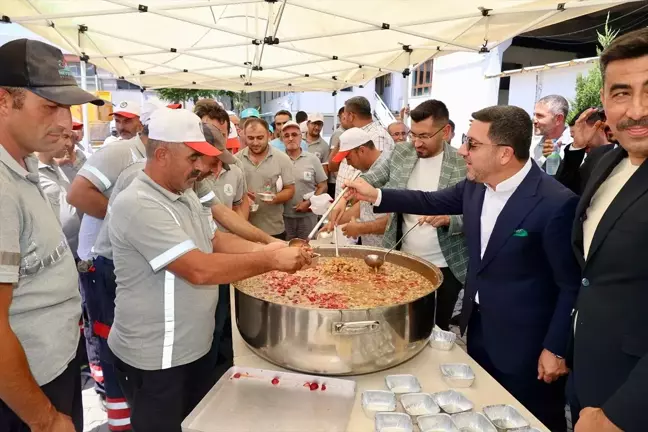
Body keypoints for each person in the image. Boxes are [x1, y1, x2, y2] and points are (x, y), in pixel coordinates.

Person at [343, 105, 581, 431]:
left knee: (532, 419)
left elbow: (570, 284)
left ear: (504, 154)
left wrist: (555, 346)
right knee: (485, 409)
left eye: (473, 144)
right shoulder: (475, 186)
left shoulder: (555, 202)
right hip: (479, 328)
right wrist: (376, 194)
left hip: (528, 342)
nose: (462, 151)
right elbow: (428, 201)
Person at [107, 108, 310, 431]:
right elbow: (197, 269)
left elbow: (215, 240)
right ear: (161, 154)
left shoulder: (184, 194)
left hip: (193, 348)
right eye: (192, 158)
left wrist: (273, 247)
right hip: (158, 357)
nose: (201, 168)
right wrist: (270, 261)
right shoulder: (139, 203)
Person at [0, 38, 104, 432]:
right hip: (22, 395)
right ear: (4, 101)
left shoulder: (22, 165)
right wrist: (43, 420)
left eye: (68, 108)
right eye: (50, 107)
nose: (65, 122)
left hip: (49, 369)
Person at [328, 100, 468, 330]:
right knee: (401, 323)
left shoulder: (462, 163)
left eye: (424, 136)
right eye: (413, 134)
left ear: (446, 132)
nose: (417, 142)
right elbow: (372, 178)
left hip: (447, 263)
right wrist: (344, 198)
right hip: (405, 256)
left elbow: (476, 213)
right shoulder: (402, 152)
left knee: (437, 324)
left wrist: (449, 219)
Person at [570, 27, 648, 432]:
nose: (636, 110)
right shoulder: (606, 162)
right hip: (588, 374)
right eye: (622, 93)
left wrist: (620, 416)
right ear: (603, 100)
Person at [237, 118, 296, 240]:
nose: (255, 142)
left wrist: (275, 198)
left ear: (269, 135)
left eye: (260, 138)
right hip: (243, 229)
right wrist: (242, 197)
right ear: (244, 136)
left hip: (273, 229)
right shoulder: (236, 161)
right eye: (251, 138)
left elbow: (290, 190)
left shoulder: (282, 159)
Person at [330, 128, 390, 246]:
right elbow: (364, 205)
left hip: (388, 250)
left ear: (361, 150)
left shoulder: (388, 170)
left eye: (348, 158)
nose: (348, 163)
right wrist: (335, 221)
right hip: (372, 248)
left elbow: (395, 220)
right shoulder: (367, 171)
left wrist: (361, 228)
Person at [334, 96, 395, 198]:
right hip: (349, 203)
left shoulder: (377, 136)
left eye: (344, 115)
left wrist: (350, 209)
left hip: (359, 205)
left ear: (351, 116)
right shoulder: (355, 134)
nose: (343, 119)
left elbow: (376, 180)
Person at [281, 121, 328, 240]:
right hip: (283, 217)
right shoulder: (278, 159)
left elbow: (323, 185)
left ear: (301, 137)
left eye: (294, 135)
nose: (290, 138)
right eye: (286, 136)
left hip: (308, 216)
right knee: (286, 251)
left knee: (308, 249)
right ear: (282, 139)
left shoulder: (312, 159)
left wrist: (309, 203)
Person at [554, 108, 616, 195]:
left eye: (582, 134)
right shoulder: (589, 160)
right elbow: (562, 188)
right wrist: (576, 147)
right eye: (573, 137)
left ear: (600, 126)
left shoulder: (624, 153)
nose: (579, 140)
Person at [531, 95, 573, 165]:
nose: (534, 120)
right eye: (534, 115)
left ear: (558, 119)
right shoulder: (531, 143)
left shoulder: (575, 147)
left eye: (540, 116)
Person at [327, 107, 346, 197]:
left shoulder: (346, 133)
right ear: (340, 118)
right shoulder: (339, 134)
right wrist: (339, 179)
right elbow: (333, 158)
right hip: (335, 182)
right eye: (344, 118)